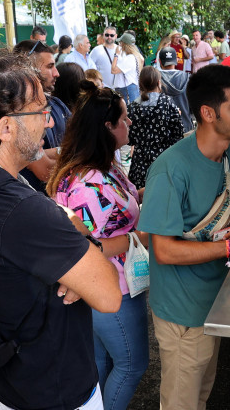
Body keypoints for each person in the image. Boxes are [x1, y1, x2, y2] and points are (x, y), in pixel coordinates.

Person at [0, 50, 121, 409]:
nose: (51, 122)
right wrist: (81, 244)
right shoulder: (20, 210)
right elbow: (108, 295)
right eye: (41, 111)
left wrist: (68, 242)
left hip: (13, 376)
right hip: (54, 388)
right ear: (6, 128)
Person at [138, 64, 230, 410]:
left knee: (200, 394)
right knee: (181, 402)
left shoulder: (229, 152)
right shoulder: (171, 168)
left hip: (214, 301)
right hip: (183, 311)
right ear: (207, 112)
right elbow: (165, 251)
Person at [47, 81, 149, 410]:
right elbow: (88, 247)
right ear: (108, 127)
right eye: (124, 118)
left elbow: (121, 207)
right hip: (111, 286)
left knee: (102, 363)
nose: (130, 122)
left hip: (108, 284)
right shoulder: (88, 183)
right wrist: (141, 237)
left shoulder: (101, 169)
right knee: (132, 365)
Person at [13, 39, 70, 194]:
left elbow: (74, 143)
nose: (57, 73)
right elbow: (44, 171)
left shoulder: (57, 104)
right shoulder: (19, 116)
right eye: (49, 66)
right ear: (28, 69)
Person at [128, 66, 184, 189]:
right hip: (164, 161)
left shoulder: (133, 106)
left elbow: (130, 138)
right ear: (159, 82)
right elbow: (179, 134)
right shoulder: (167, 102)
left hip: (140, 165)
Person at [158, 46, 194, 132]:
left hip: (163, 129)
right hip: (185, 126)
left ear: (160, 61)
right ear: (177, 60)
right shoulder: (188, 78)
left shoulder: (155, 79)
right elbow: (193, 107)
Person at [111, 33, 143, 105]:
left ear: (124, 44)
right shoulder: (135, 55)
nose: (119, 45)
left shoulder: (129, 58)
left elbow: (113, 70)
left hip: (127, 89)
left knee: (128, 112)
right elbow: (142, 60)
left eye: (120, 43)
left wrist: (116, 54)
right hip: (131, 87)